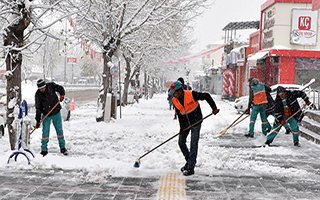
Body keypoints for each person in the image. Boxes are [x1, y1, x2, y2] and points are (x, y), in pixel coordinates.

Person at [169, 81, 219, 176]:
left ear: (179, 91)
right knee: (181, 142)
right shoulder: (174, 100)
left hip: (196, 121)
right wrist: (182, 128)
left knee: (193, 143)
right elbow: (180, 115)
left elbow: (206, 96)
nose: (173, 94)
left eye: (174, 92)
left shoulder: (191, 94)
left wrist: (214, 108)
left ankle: (190, 167)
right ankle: (189, 162)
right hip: (186, 124)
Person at [35, 79, 68, 156]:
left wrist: (62, 94)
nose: (42, 90)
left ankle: (63, 148)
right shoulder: (38, 95)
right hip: (46, 114)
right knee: (45, 132)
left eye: (43, 88)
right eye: (40, 89)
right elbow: (38, 108)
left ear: (45, 86)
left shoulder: (51, 86)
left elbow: (60, 88)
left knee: (59, 130)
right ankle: (44, 149)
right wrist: (37, 120)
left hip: (56, 111)